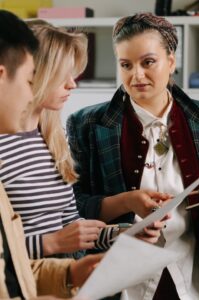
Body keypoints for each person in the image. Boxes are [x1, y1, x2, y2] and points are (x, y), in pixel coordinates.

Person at [67, 13, 199, 299]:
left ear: (172, 62)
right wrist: (126, 202)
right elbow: (70, 208)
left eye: (148, 62)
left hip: (191, 279)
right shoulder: (86, 124)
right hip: (120, 285)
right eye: (126, 65)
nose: (136, 75)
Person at [0, 9, 103, 299]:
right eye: (63, 76)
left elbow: (70, 221)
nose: (72, 84)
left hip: (59, 284)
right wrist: (52, 243)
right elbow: (7, 252)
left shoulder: (52, 136)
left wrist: (118, 235)